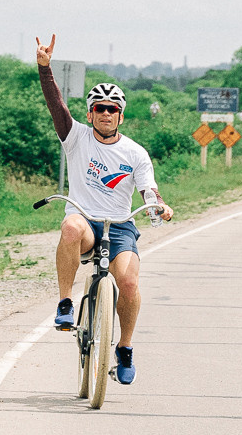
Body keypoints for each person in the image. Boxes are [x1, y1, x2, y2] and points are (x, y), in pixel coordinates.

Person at [36, 36, 172, 385]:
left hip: (121, 226)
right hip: (85, 219)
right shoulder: (76, 136)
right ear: (90, 113)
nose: (106, 113)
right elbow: (56, 106)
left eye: (113, 108)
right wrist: (45, 68)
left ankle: (124, 348)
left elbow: (147, 187)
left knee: (128, 283)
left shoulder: (136, 153)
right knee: (69, 227)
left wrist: (157, 205)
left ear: (121, 115)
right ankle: (66, 304)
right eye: (100, 107)